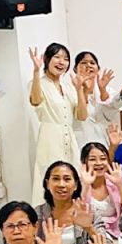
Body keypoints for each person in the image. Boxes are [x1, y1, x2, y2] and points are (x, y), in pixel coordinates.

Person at [28, 42, 84, 204]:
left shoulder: (68, 87)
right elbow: (36, 101)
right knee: (49, 179)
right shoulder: (37, 82)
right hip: (50, 137)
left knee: (73, 179)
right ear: (47, 59)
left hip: (69, 138)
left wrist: (79, 89)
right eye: (57, 57)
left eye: (66, 59)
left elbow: (81, 116)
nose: (61, 62)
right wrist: (36, 71)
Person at [35, 161, 98, 244]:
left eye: (67, 179)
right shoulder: (36, 214)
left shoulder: (90, 211)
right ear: (47, 184)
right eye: (56, 179)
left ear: (76, 185)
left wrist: (88, 228)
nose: (61, 184)